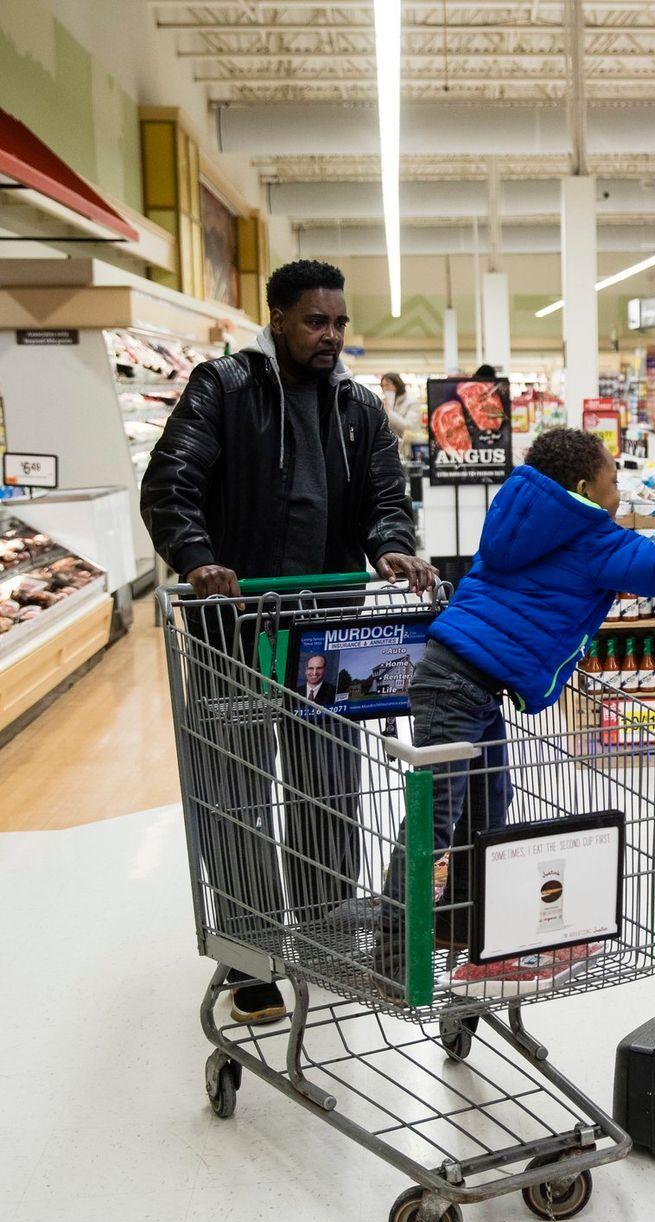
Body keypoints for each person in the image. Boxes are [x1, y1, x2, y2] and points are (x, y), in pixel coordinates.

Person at [380, 428, 655, 966]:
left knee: (487, 804)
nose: (619, 491)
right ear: (584, 487)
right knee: (434, 818)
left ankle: (456, 922)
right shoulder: (590, 539)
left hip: (464, 678)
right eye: (613, 480)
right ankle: (392, 952)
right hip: (460, 684)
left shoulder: (519, 514)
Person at [141, 258, 436, 1024]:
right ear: (277, 319)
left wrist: (391, 547)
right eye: (315, 321)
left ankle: (324, 929)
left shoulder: (358, 407)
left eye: (339, 322)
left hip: (325, 634)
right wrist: (197, 557)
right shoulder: (224, 388)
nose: (331, 334)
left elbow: (386, 499)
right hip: (234, 630)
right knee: (237, 793)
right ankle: (250, 954)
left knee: (328, 788)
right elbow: (170, 483)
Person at [380, 372, 426, 459]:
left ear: (397, 384)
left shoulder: (412, 402)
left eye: (388, 385)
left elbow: (410, 427)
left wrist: (389, 412)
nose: (385, 388)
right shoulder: (386, 402)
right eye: (383, 386)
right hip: (390, 450)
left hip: (409, 451)